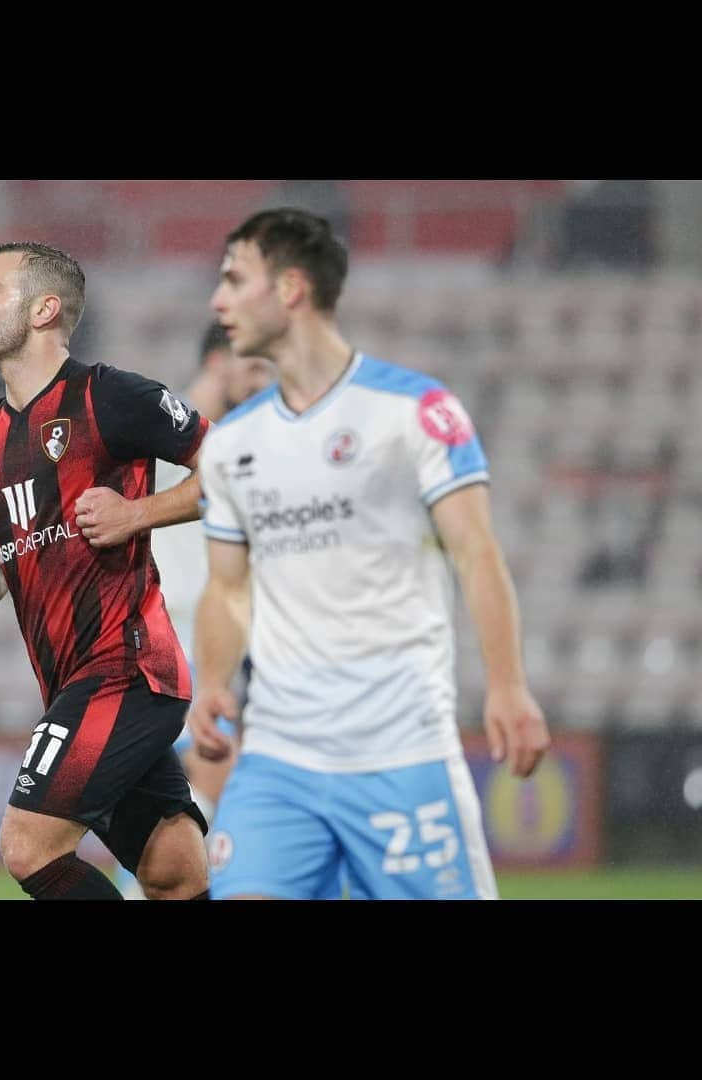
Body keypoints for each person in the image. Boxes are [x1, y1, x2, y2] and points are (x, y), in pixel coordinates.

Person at [190, 208, 551, 900]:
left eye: (235, 279)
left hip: (400, 750)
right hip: (278, 756)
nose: (219, 299)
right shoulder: (233, 443)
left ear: (291, 288)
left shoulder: (414, 411)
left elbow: (475, 552)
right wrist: (211, 680)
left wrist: (507, 684)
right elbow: (229, 589)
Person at [0, 241, 211, 900]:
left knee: (28, 846)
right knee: (172, 872)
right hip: (72, 681)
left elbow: (238, 468)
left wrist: (138, 514)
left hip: (127, 667)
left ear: (44, 309)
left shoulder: (109, 398)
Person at [116, 323, 274, 899]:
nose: (262, 383)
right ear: (216, 360)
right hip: (169, 639)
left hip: (212, 639)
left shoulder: (239, 443)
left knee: (186, 803)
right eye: (252, 367)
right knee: (210, 778)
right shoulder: (164, 437)